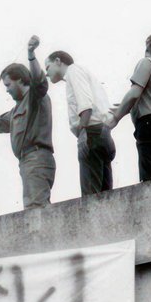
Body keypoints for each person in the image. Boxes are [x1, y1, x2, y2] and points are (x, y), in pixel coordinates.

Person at [0, 35, 55, 209]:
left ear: (20, 79)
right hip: (28, 162)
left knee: (36, 209)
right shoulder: (17, 109)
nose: (7, 90)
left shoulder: (35, 97)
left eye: (8, 85)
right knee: (34, 208)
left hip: (37, 158)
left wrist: (31, 54)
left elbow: (39, 81)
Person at [44, 49, 117, 195]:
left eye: (48, 67)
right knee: (106, 195)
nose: (47, 73)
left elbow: (85, 105)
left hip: (91, 133)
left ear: (58, 61)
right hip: (104, 132)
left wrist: (82, 133)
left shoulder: (73, 71)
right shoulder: (83, 72)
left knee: (91, 195)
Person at [108, 33, 151, 182]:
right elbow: (150, 98)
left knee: (150, 182)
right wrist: (126, 107)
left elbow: (134, 94)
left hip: (148, 125)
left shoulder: (147, 62)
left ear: (148, 48)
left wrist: (116, 117)